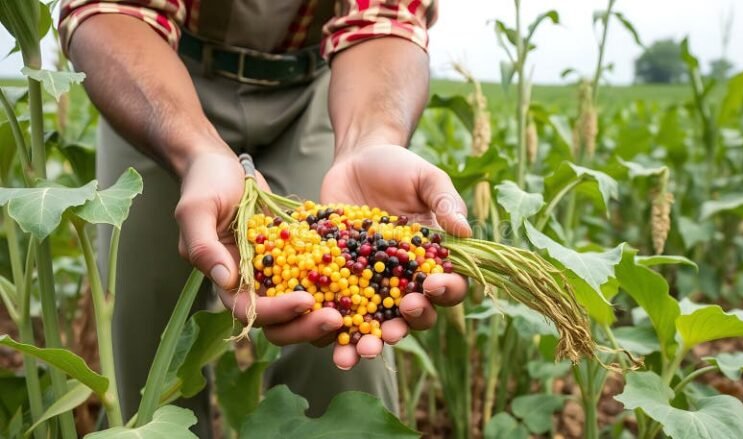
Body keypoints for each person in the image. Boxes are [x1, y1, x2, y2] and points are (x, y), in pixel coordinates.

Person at [60, 0, 470, 436]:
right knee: (146, 361)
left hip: (327, 84)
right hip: (158, 74)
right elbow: (112, 9)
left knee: (342, 339)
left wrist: (368, 140)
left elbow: (383, 19)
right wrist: (197, 149)